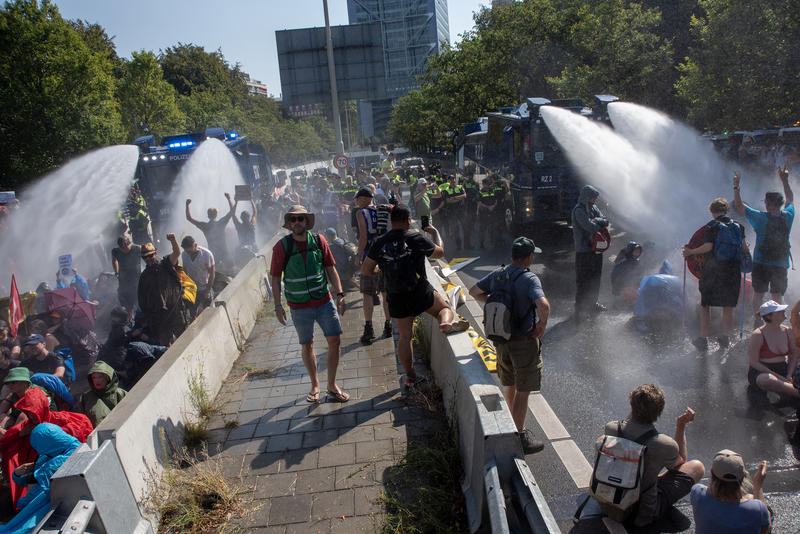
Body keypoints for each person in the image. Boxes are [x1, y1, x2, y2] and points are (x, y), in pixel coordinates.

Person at [362, 205, 469, 389]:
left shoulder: (379, 242)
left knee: (405, 337)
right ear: (408, 220)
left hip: (395, 295)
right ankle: (445, 323)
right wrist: (435, 232)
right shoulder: (414, 237)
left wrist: (384, 269)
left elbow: (366, 270)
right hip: (419, 290)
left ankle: (411, 377)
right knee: (444, 308)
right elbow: (440, 253)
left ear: (391, 221)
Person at [468, 237, 550, 454]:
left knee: (510, 384)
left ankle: (508, 427)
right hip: (523, 342)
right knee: (524, 390)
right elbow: (544, 305)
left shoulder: (498, 273)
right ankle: (519, 437)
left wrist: (499, 306)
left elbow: (473, 291)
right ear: (529, 257)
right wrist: (541, 325)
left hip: (501, 341)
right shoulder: (529, 278)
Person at [270, 205, 349, 403]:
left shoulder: (319, 241)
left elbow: (331, 269)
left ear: (306, 222)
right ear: (289, 223)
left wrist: (339, 293)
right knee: (307, 344)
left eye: (301, 218)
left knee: (335, 340)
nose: (297, 222)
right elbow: (274, 278)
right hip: (298, 306)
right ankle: (315, 384)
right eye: (293, 219)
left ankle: (332, 385)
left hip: (324, 301)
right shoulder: (282, 247)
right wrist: (277, 306)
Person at [599, 384, 705, 527]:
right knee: (696, 467)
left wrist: (635, 405)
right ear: (660, 411)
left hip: (608, 501)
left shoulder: (611, 428)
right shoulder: (664, 444)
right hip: (640, 511)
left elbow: (625, 431)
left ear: (632, 405)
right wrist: (681, 425)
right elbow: (679, 463)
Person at [0, 386, 91, 506]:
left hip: (62, 476)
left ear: (41, 407)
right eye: (29, 413)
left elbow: (83, 425)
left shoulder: (62, 420)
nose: (32, 416)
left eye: (34, 412)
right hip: (38, 475)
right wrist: (22, 434)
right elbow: (6, 439)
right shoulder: (28, 425)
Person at [733, 167, 794, 326]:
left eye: (765, 201)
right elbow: (791, 199)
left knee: (759, 293)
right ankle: (777, 322)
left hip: (761, 261)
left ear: (767, 204)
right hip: (781, 262)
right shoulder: (788, 217)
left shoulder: (760, 218)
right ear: (779, 204)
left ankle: (758, 319)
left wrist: (736, 186)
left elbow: (739, 206)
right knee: (777, 294)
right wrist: (784, 180)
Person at [683, 198, 746, 350]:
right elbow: (744, 249)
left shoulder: (712, 226)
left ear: (712, 211)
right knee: (728, 306)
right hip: (733, 270)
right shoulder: (739, 226)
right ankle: (725, 338)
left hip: (714, 270)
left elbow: (708, 247)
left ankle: (703, 339)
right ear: (726, 210)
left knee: (706, 305)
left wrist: (690, 251)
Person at [1, 423, 82, 534]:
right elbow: (32, 478)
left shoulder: (56, 463)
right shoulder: (62, 448)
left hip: (50, 507)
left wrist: (22, 502)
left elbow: (38, 491)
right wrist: (17, 474)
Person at [690, 450, 770, 534]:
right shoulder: (757, 508)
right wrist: (758, 485)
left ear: (712, 473)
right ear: (744, 476)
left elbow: (708, 491)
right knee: (754, 500)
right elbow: (766, 529)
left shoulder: (698, 492)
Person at [353, 188, 391, 344]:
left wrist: (358, 255)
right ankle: (388, 326)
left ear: (363, 198)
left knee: (367, 293)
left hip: (370, 255)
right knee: (384, 292)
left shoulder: (360, 212)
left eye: (357, 198)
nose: (356, 201)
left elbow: (363, 236)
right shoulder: (382, 210)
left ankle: (369, 329)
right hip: (385, 254)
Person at [137, 234, 189, 346]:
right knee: (166, 346)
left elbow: (176, 253)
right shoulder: (144, 277)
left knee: (185, 340)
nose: (148, 259)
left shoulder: (166, 264)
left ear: (155, 253)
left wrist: (173, 241)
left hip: (175, 311)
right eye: (145, 257)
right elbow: (142, 300)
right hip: (159, 318)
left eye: (150, 255)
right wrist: (149, 318)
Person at [747, 300, 799, 399]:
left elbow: (793, 355)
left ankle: (781, 390)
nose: (784, 310)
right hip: (763, 371)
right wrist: (778, 376)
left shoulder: (788, 331)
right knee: (766, 379)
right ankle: (795, 392)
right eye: (779, 311)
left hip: (784, 369)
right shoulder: (758, 335)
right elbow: (754, 362)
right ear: (769, 316)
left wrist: (789, 374)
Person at [572, 185, 609, 319]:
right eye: (593, 197)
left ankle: (592, 304)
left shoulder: (593, 208)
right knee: (583, 280)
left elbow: (605, 220)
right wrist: (598, 223)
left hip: (596, 250)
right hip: (584, 251)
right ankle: (580, 308)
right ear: (587, 196)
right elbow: (590, 227)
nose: (595, 199)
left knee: (595, 279)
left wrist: (597, 220)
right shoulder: (578, 210)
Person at [185, 193, 235, 271]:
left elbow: (189, 218)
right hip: (224, 252)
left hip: (213, 254)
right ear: (216, 215)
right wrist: (229, 199)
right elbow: (232, 211)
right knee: (232, 271)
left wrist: (187, 205)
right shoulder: (221, 223)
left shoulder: (205, 226)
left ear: (208, 216)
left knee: (215, 273)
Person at [78, 361, 127, 427]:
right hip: (95, 435)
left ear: (108, 378)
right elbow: (81, 419)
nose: (96, 380)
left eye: (100, 377)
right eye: (94, 377)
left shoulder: (121, 394)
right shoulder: (85, 397)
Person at [180, 235, 215, 313]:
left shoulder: (206, 255)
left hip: (205, 288)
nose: (189, 254)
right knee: (193, 314)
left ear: (195, 245)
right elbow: (185, 271)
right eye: (186, 251)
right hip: (193, 289)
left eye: (190, 251)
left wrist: (208, 291)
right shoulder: (184, 254)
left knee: (209, 312)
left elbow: (212, 274)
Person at [111, 236, 142, 316]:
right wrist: (116, 272)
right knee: (126, 302)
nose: (123, 249)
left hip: (137, 280)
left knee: (139, 300)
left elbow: (147, 255)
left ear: (129, 244)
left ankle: (141, 317)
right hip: (124, 280)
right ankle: (130, 318)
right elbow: (114, 260)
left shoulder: (137, 249)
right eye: (121, 247)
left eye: (125, 247)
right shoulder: (116, 251)